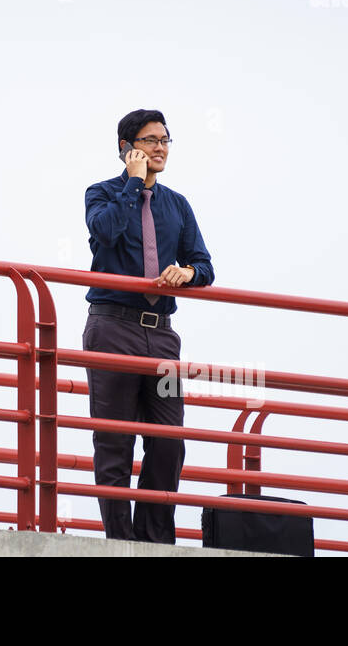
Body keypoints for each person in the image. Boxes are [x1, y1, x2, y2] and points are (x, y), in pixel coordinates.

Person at [82, 108, 214, 543]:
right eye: (150, 140)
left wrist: (188, 275)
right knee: (115, 442)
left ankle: (155, 543)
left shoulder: (177, 205)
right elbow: (106, 232)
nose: (160, 148)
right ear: (127, 148)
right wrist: (134, 183)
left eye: (165, 140)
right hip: (112, 328)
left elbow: (205, 264)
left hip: (160, 334)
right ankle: (120, 543)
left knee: (168, 438)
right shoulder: (100, 194)